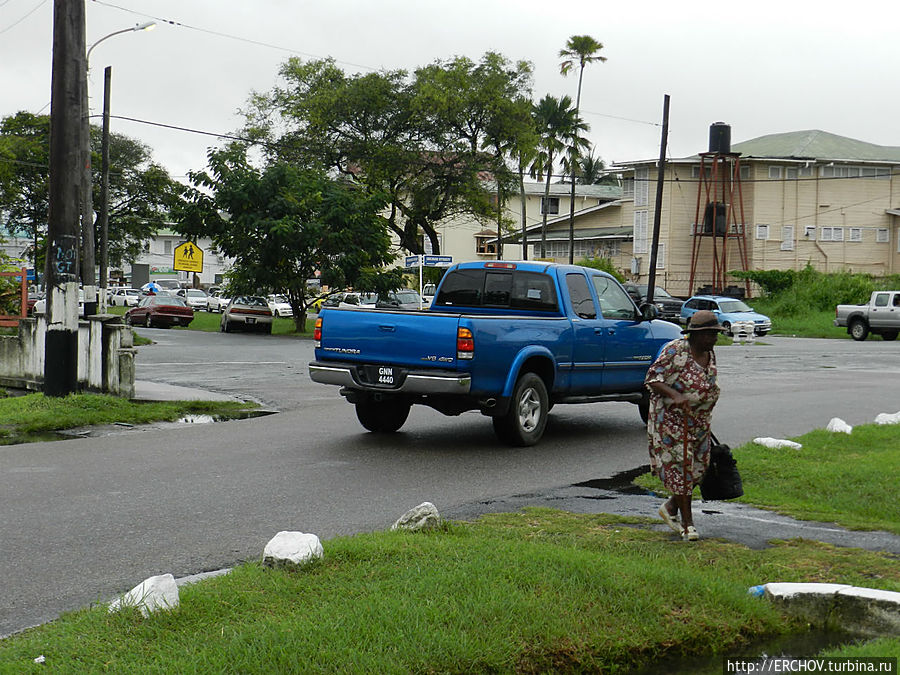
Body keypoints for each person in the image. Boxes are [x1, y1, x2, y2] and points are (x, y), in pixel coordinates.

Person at [644, 310, 725, 541]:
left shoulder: (710, 353)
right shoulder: (676, 350)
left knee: (699, 468)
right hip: (672, 422)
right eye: (711, 334)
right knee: (682, 469)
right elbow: (652, 378)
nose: (715, 338)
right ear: (697, 335)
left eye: (716, 333)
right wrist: (675, 395)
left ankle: (670, 508)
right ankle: (688, 524)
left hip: (699, 423)